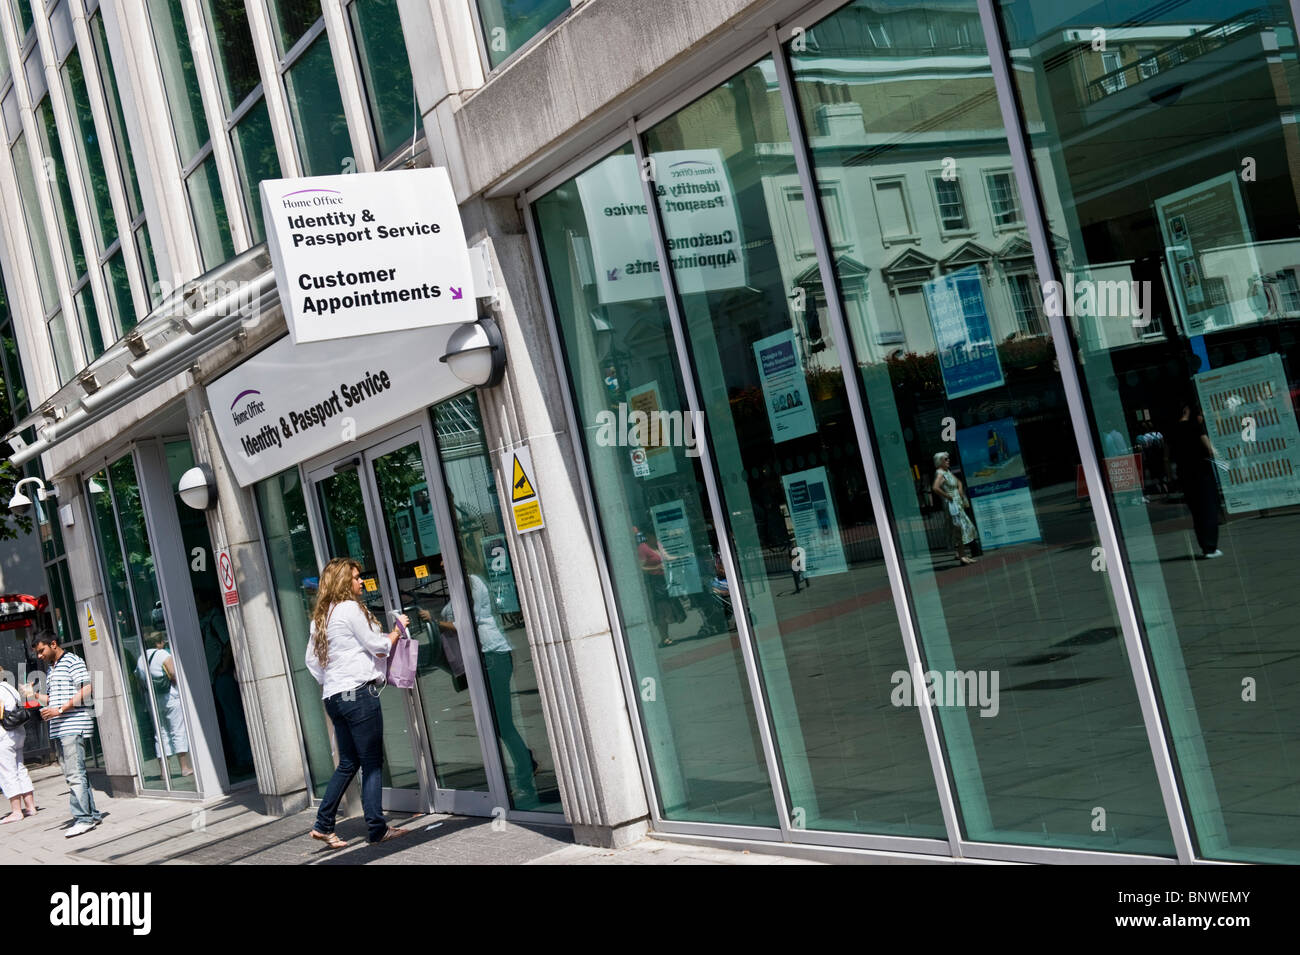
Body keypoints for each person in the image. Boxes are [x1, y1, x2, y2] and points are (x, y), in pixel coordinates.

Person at [305, 558, 409, 848]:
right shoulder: (349, 609)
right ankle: (377, 828)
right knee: (372, 763)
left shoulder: (321, 617)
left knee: (348, 762)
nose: (361, 581)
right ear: (343, 583)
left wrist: (334, 680)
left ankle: (323, 824)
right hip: (357, 695)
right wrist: (397, 630)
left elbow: (311, 661)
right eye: (355, 577)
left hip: (335, 697)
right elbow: (378, 646)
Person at [438, 546, 539, 802]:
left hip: (492, 654)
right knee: (498, 723)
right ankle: (525, 761)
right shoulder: (464, 583)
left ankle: (525, 782)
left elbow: (466, 623)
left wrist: (435, 621)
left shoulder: (470, 582)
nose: (439, 562)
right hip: (487, 655)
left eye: (443, 557)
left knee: (502, 724)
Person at [31, 631, 103, 837]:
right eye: (37, 653)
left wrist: (59, 710)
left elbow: (87, 689)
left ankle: (83, 819)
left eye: (41, 650)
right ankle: (92, 814)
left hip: (72, 726)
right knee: (76, 773)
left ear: (53, 644)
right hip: (61, 728)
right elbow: (54, 699)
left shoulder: (72, 660)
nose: (39, 656)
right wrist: (35, 696)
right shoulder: (53, 669)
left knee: (74, 774)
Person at [196, 593, 253, 773]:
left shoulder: (216, 620)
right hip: (217, 676)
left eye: (198, 601)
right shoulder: (205, 622)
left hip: (223, 676)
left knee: (233, 718)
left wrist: (223, 666)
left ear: (207, 602)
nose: (196, 605)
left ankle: (245, 759)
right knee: (230, 718)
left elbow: (229, 643)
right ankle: (241, 757)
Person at [134, 631, 192, 777]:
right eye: (162, 642)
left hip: (153, 700)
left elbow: (139, 680)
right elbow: (173, 673)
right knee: (177, 730)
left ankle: (164, 772)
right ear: (158, 643)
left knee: (160, 734)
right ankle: (184, 767)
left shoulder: (141, 658)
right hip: (170, 698)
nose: (164, 644)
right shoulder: (163, 655)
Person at [1171, 401, 1223, 558]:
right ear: (1187, 410)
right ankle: (1210, 548)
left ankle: (1205, 546)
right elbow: (1210, 450)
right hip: (1202, 473)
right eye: (1200, 413)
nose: (1202, 417)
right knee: (1208, 509)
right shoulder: (1195, 427)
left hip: (1185, 475)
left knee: (1197, 512)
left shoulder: (1173, 430)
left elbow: (1167, 456)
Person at [0, 670, 37, 824]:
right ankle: (30, 806)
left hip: (4, 735)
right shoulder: (8, 687)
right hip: (18, 732)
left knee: (7, 772)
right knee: (20, 767)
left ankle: (16, 811)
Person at [933, 452, 978, 565]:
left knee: (961, 529)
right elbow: (935, 487)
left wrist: (960, 489)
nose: (948, 461)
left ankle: (963, 555)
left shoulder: (947, 472)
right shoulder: (940, 473)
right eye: (945, 459)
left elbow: (959, 482)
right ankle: (962, 556)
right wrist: (948, 495)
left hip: (958, 504)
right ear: (940, 461)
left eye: (948, 459)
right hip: (953, 505)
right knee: (958, 528)